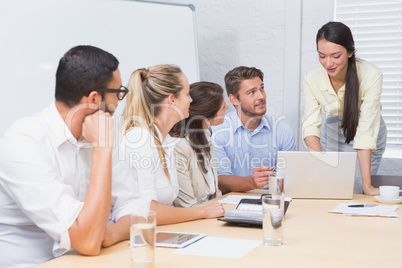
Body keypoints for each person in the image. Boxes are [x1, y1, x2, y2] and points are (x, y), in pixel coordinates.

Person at [0, 45, 146, 267]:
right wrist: (102, 150)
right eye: (118, 93)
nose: (119, 102)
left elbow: (135, 206)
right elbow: (86, 240)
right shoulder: (23, 142)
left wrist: (109, 234)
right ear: (95, 99)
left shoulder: (98, 135)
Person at [113, 64, 225, 227]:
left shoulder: (165, 140)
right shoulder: (141, 139)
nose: (191, 100)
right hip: (140, 237)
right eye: (187, 94)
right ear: (172, 100)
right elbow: (148, 212)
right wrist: (204, 211)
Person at [302, 21, 387, 196]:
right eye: (322, 56)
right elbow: (311, 125)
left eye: (335, 55)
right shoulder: (312, 79)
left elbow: (365, 132)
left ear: (350, 51)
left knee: (356, 190)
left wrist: (368, 187)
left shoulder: (371, 74)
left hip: (368, 129)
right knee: (328, 186)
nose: (328, 63)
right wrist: (318, 167)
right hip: (333, 130)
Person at [211, 66, 296, 194]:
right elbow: (219, 180)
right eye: (252, 92)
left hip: (273, 200)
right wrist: (251, 182)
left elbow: (291, 177)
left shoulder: (283, 131)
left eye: (262, 88)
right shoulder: (218, 131)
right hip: (232, 202)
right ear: (234, 99)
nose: (261, 96)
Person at [170, 81, 228, 207]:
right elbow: (186, 206)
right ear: (206, 114)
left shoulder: (206, 137)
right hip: (192, 220)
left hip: (210, 214)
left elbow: (215, 193)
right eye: (223, 106)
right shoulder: (179, 147)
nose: (227, 108)